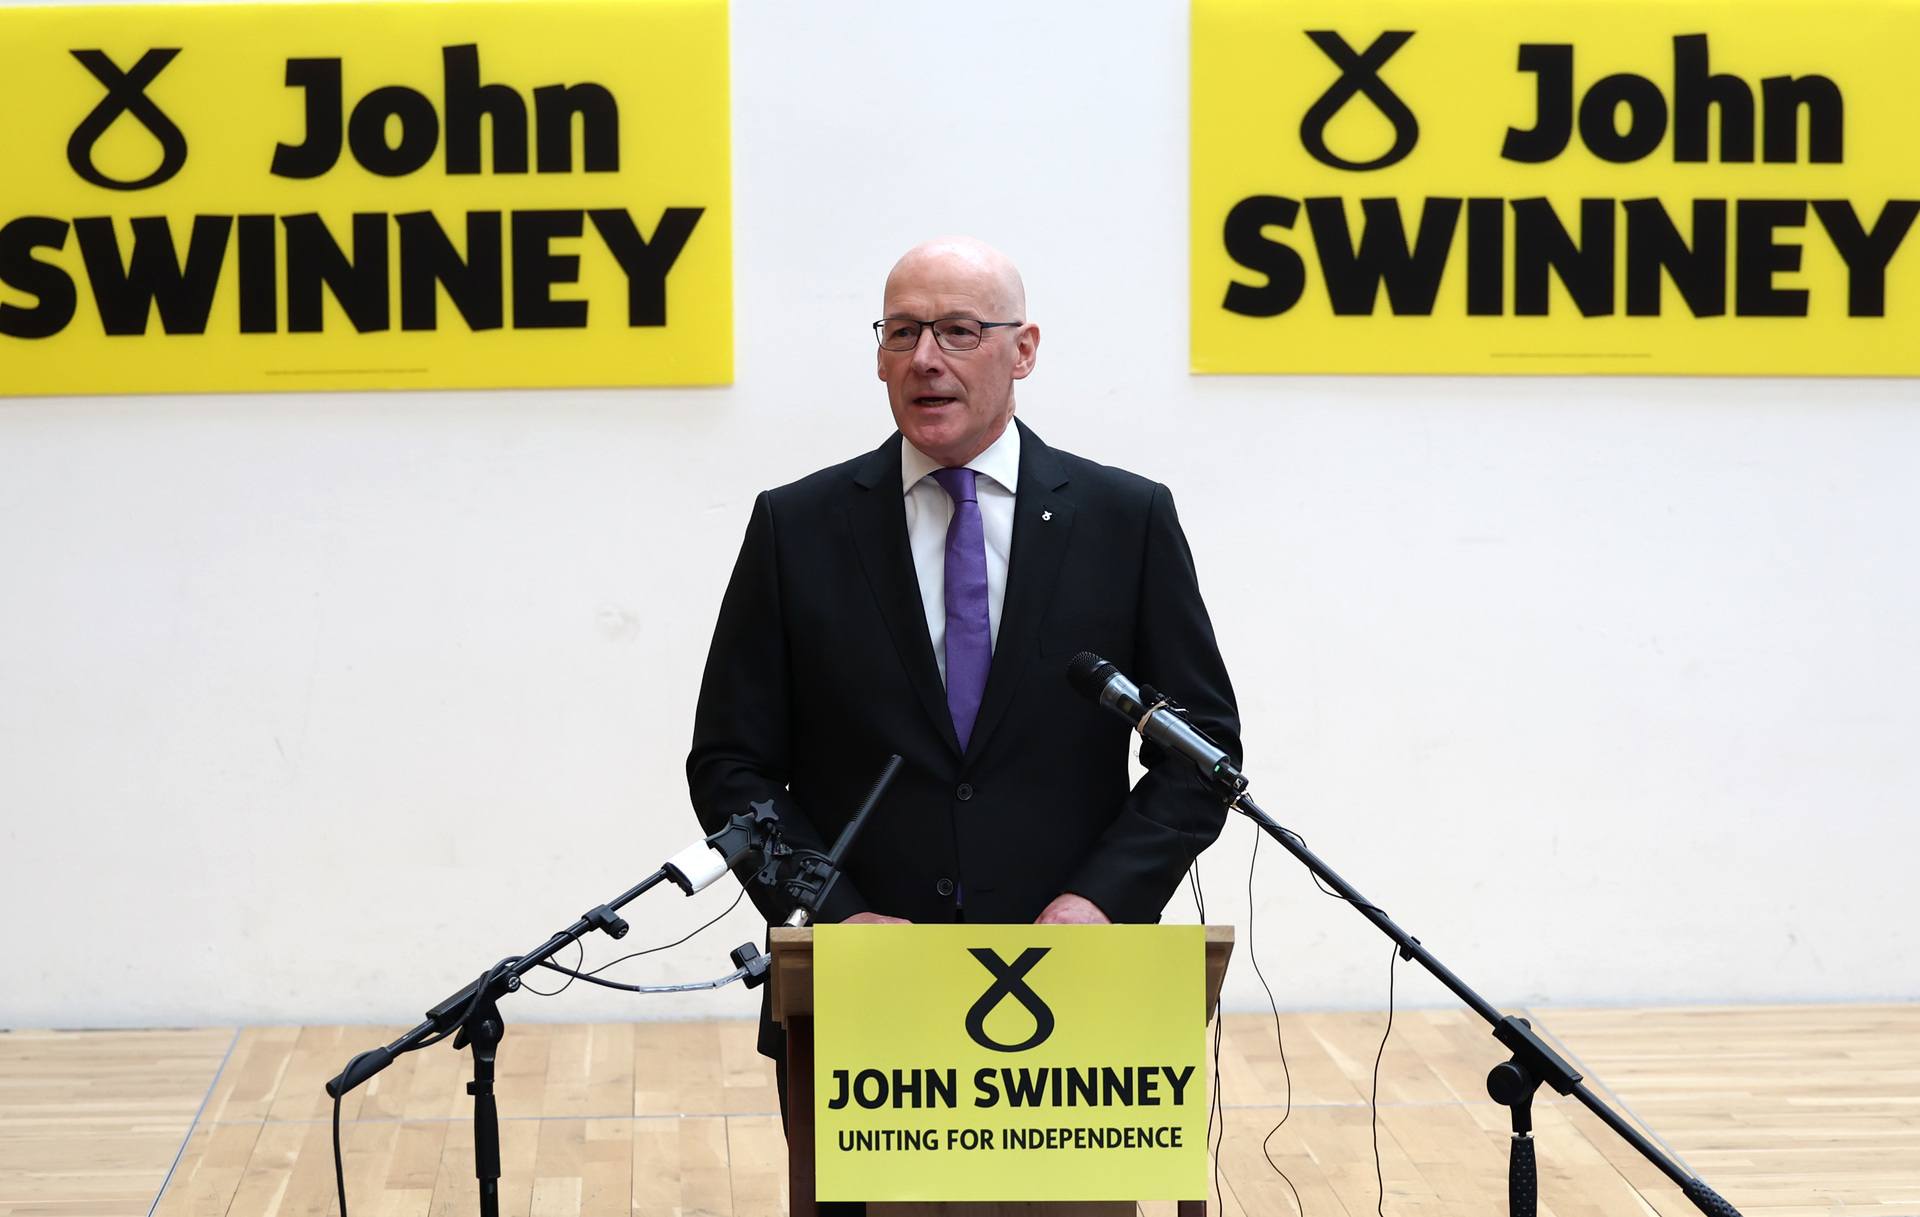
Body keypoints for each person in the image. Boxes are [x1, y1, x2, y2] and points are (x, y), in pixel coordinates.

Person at [686, 235, 1240, 1070]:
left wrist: (1101, 899)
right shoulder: (796, 527)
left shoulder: (1125, 519)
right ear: (879, 359)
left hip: (1076, 981)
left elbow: (1202, 751)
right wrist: (835, 913)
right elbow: (731, 765)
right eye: (901, 333)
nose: (925, 359)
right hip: (861, 987)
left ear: (1024, 351)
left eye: (958, 331)